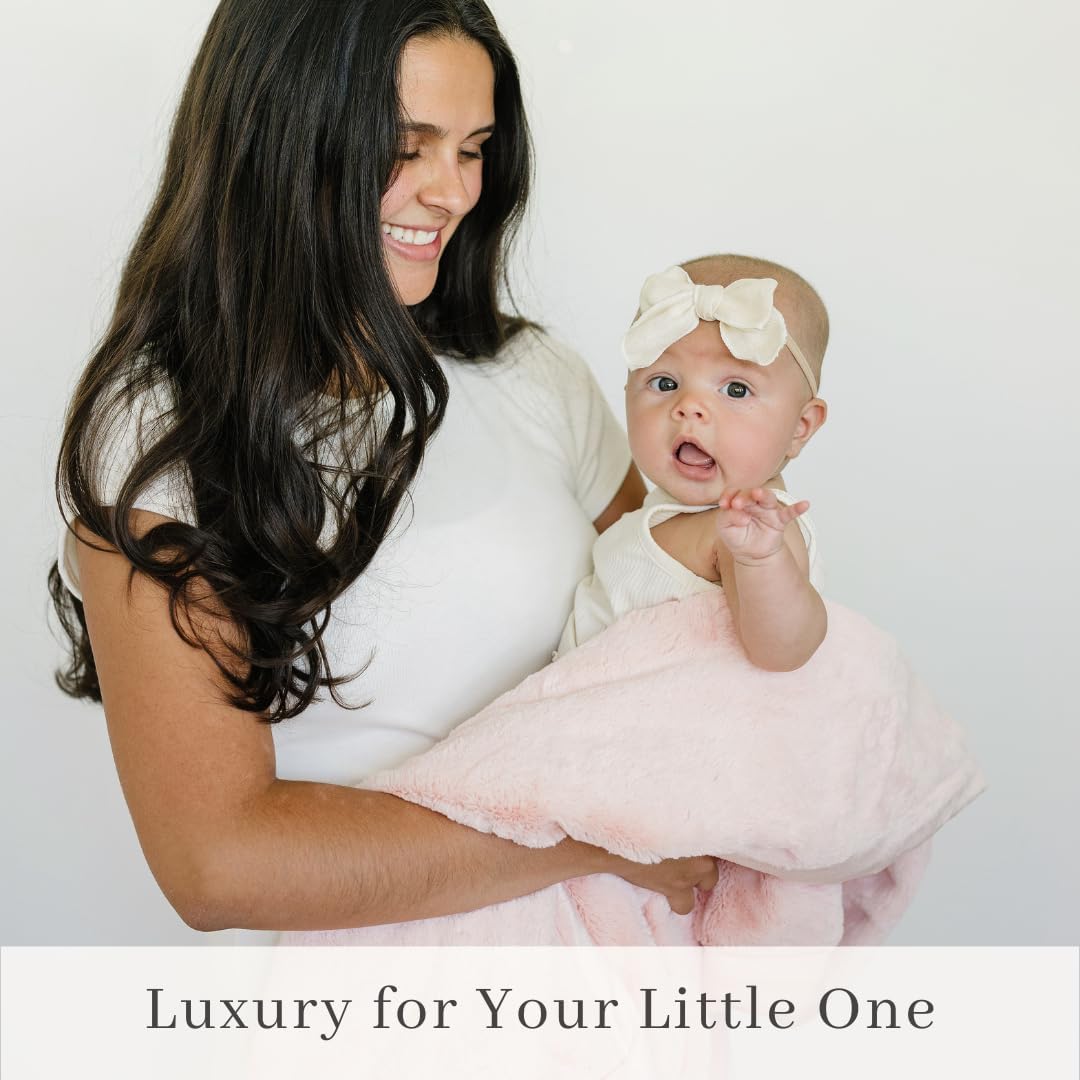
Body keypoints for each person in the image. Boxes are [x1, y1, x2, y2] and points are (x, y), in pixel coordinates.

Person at [48, 0, 719, 935]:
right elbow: (218, 862)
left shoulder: (532, 374)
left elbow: (678, 632)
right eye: (407, 148)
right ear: (281, 144)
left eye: (474, 149)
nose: (452, 192)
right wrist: (587, 834)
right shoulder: (162, 436)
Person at [557, 254, 830, 670]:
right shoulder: (663, 514)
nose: (689, 407)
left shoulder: (754, 530)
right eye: (664, 382)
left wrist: (761, 560)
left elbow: (785, 649)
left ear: (800, 426)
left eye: (736, 390)